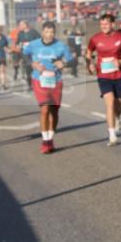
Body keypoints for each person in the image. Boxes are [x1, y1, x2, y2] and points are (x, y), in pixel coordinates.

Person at [23, 22, 74, 154]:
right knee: (45, 109)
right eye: (46, 32)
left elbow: (71, 61)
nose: (49, 35)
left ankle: (50, 138)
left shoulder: (61, 46)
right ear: (42, 32)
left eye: (51, 32)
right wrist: (33, 64)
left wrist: (63, 63)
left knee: (54, 111)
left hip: (55, 81)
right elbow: (25, 55)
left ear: (54, 33)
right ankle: (45, 141)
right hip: (39, 80)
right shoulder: (34, 44)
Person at [86, 14, 121, 146]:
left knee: (118, 105)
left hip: (118, 76)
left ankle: (118, 117)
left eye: (106, 24)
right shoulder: (95, 39)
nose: (104, 27)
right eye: (101, 24)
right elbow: (88, 52)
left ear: (113, 24)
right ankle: (112, 135)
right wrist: (89, 63)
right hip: (103, 76)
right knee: (110, 102)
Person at [14, 20, 40, 91]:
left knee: (35, 69)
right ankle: (29, 85)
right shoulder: (20, 33)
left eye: (21, 25)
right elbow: (17, 42)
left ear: (25, 25)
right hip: (25, 54)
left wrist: (32, 44)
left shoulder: (33, 32)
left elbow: (39, 40)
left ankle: (37, 84)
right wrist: (18, 46)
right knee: (28, 70)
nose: (19, 26)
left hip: (33, 54)